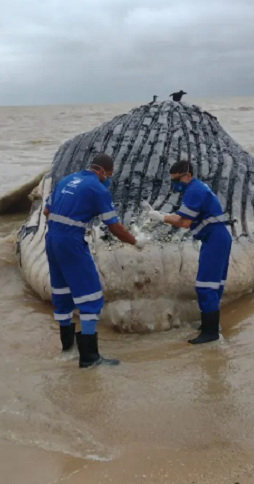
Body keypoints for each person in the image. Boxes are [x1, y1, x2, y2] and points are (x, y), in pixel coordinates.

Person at [43, 154, 147, 368]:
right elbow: (114, 227)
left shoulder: (66, 180)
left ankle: (67, 351)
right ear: (102, 171)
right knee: (90, 297)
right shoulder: (97, 189)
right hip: (71, 241)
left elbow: (46, 211)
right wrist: (136, 242)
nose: (108, 179)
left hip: (52, 239)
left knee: (62, 293)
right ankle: (90, 357)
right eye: (108, 175)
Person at [144, 159, 231, 344]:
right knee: (215, 285)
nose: (174, 184)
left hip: (215, 239)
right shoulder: (197, 188)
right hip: (218, 237)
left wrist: (160, 217)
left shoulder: (194, 191)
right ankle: (210, 325)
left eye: (177, 180)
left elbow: (184, 222)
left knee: (205, 286)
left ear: (188, 176)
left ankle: (210, 333)